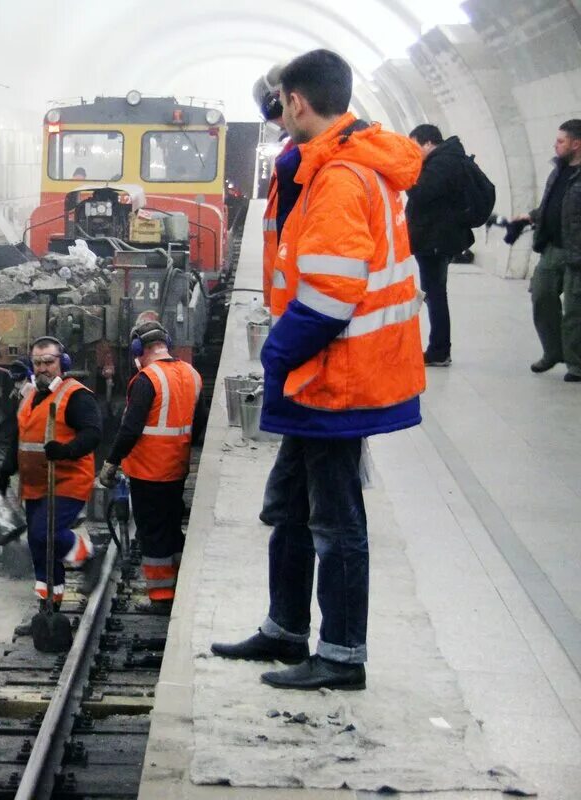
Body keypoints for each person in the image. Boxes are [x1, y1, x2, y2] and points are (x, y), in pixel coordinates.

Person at [211, 49, 425, 691]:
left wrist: (277, 353)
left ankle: (340, 655)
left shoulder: (339, 176)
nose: (278, 115)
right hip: (325, 371)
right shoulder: (339, 161)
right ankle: (284, 629)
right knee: (291, 504)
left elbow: (331, 294)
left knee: (335, 520)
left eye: (281, 105)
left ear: (297, 101)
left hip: (336, 373)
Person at [97, 322, 205, 613]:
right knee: (171, 528)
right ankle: (180, 587)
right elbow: (199, 425)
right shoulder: (192, 374)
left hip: (149, 471)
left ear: (138, 349)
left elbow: (130, 428)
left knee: (152, 533)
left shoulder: (147, 378)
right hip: (177, 469)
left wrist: (111, 462)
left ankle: (161, 598)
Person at [0, 336, 102, 606]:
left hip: (67, 480)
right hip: (35, 485)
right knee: (39, 546)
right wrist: (5, 472)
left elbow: (93, 433)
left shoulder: (75, 395)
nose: (42, 368)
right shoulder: (29, 396)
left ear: (61, 363)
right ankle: (48, 605)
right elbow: (20, 438)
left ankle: (87, 555)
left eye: (48, 362)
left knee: (46, 533)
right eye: (37, 363)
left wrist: (66, 450)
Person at [511, 119, 581, 382]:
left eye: (561, 141)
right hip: (552, 248)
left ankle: (576, 363)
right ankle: (553, 352)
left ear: (577, 144)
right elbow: (552, 205)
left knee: (575, 311)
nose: (556, 145)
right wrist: (531, 216)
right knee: (541, 298)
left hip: (577, 254)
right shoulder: (558, 171)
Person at [406, 124, 480, 367]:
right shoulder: (445, 159)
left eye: (416, 146)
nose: (414, 152)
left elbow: (421, 193)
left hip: (435, 240)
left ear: (428, 143)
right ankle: (439, 348)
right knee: (435, 293)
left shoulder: (441, 163)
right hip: (434, 237)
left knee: (435, 294)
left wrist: (406, 175)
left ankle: (439, 350)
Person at [254, 63, 301, 308]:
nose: (284, 130)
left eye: (282, 123)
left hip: (299, 308)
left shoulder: (307, 163)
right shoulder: (293, 158)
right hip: (286, 298)